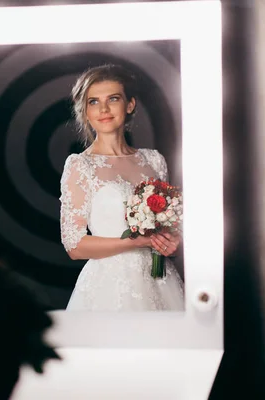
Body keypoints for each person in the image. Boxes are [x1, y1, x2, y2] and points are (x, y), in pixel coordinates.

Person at [60, 64, 185, 311]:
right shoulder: (80, 165)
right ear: (85, 111)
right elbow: (74, 246)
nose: (103, 109)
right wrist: (136, 242)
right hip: (108, 287)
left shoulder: (154, 160)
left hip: (160, 280)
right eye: (93, 102)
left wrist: (172, 242)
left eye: (113, 99)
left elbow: (168, 228)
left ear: (130, 105)